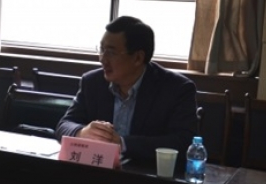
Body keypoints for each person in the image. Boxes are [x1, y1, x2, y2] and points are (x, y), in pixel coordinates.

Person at [55, 16, 197, 161]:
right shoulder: (92, 82)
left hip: (145, 172)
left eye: (111, 52)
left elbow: (183, 142)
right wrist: (82, 132)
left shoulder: (177, 89)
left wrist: (122, 143)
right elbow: (64, 125)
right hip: (96, 170)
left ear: (138, 58)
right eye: (102, 50)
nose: (102, 59)